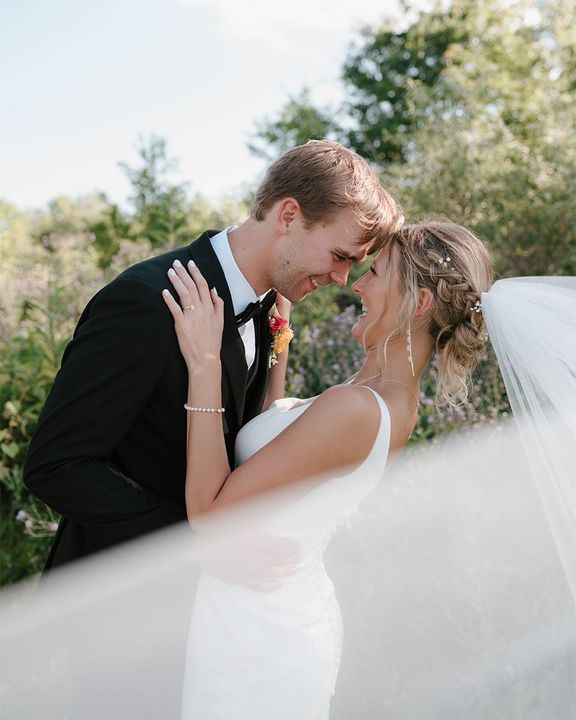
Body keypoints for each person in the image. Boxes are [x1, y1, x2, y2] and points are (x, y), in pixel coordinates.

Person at [161, 219, 494, 719]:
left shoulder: (358, 409)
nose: (356, 284)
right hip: (266, 611)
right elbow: (279, 442)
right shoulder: (381, 398)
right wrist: (279, 335)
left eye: (375, 273)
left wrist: (206, 363)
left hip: (257, 637)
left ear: (418, 303)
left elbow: (210, 513)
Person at [22, 140, 402, 572]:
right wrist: (196, 547)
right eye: (339, 256)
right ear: (289, 216)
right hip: (113, 605)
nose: (341, 278)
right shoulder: (146, 302)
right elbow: (56, 464)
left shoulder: (270, 308)